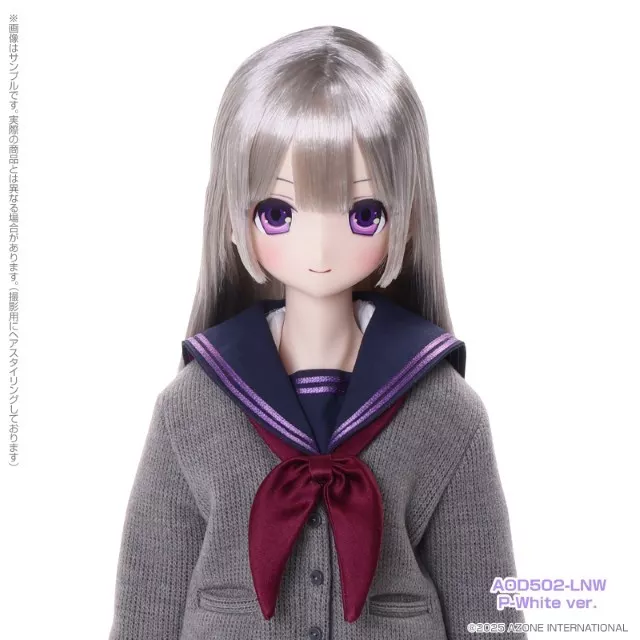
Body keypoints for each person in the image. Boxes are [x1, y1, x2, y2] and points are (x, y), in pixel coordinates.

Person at [108, 25, 527, 640]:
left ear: (408, 216)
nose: (322, 246)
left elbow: (488, 607)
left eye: (363, 213)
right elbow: (150, 597)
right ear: (233, 216)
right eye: (279, 212)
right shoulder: (192, 407)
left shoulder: (446, 411)